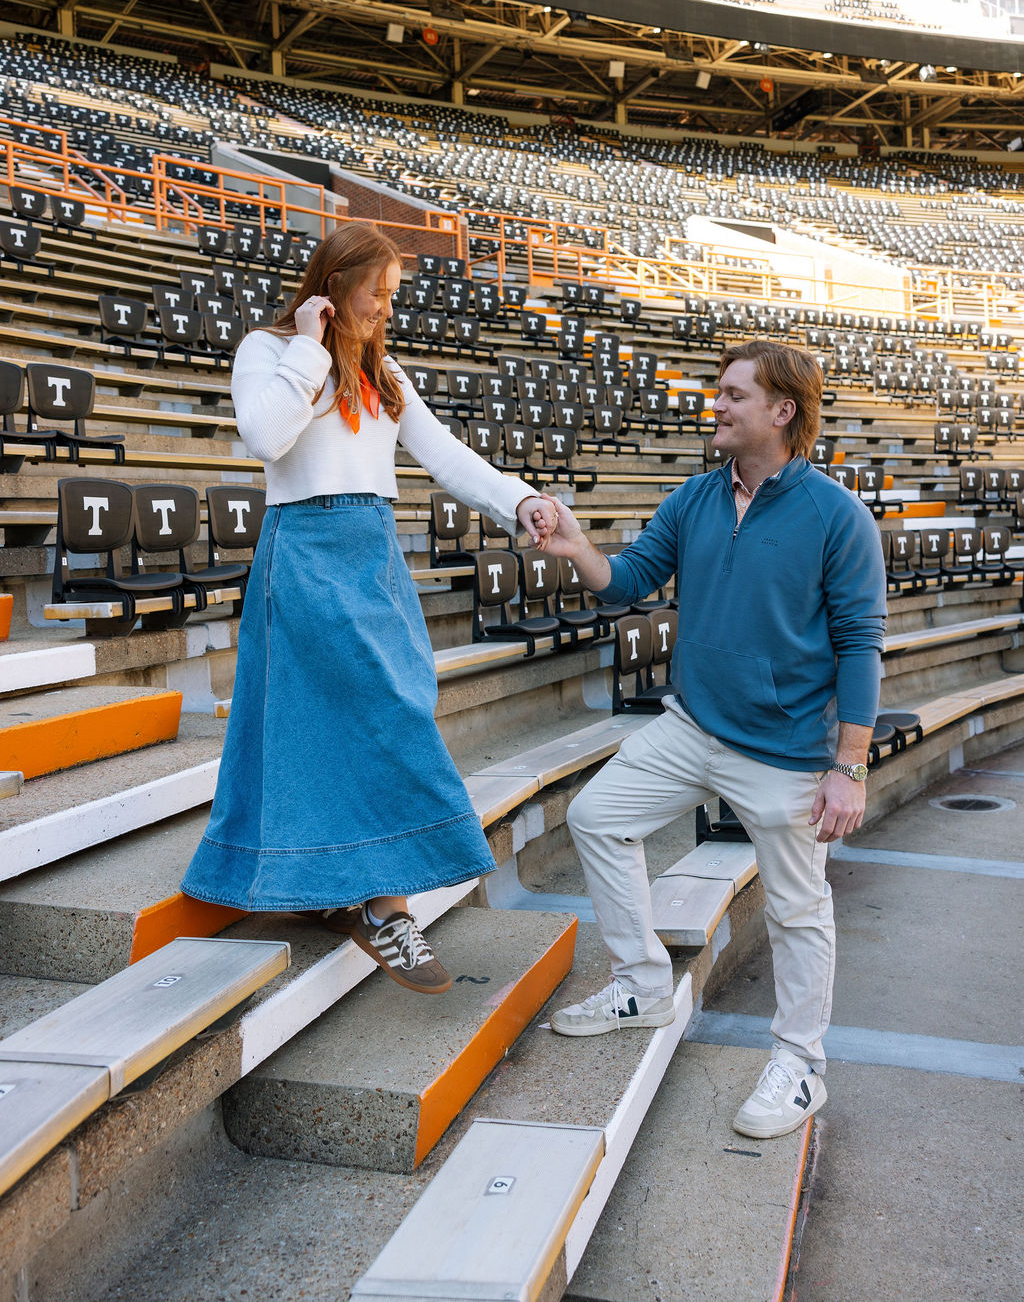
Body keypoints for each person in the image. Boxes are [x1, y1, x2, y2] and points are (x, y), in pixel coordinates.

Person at [182, 222, 557, 994]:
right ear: (335, 282)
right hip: (305, 549)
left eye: (392, 295)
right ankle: (388, 910)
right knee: (343, 717)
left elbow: (447, 454)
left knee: (398, 702)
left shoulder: (386, 375)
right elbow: (265, 435)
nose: (386, 307)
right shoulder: (268, 350)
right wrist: (310, 345)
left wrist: (518, 499)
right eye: (376, 291)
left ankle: (346, 890)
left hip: (373, 549)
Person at [541, 339, 886, 1139]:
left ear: (782, 410)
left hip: (787, 752)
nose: (717, 404)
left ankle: (801, 1063)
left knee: (798, 909)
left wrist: (850, 766)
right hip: (693, 726)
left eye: (734, 394)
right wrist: (576, 546)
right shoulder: (695, 497)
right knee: (597, 816)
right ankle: (641, 983)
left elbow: (860, 644)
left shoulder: (838, 516)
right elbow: (629, 581)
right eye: (719, 391)